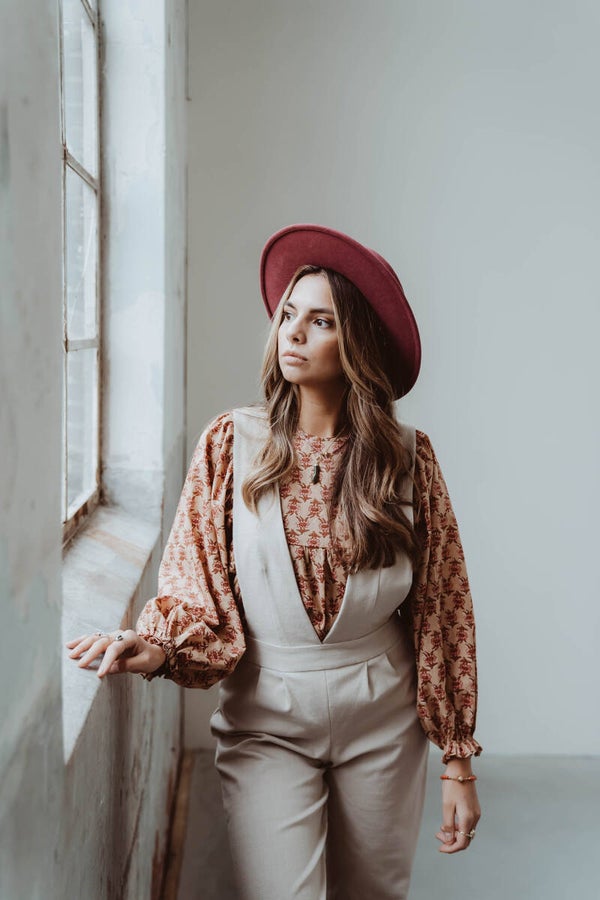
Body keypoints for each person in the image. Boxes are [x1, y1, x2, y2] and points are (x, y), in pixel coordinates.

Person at [67, 224, 482, 900]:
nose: (292, 332)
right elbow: (194, 572)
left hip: (383, 719)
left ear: (357, 342)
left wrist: (458, 763)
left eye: (320, 321)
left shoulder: (409, 458)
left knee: (374, 894)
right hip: (266, 717)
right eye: (289, 314)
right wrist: (156, 644)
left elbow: (443, 605)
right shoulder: (233, 444)